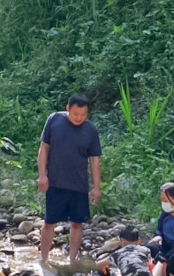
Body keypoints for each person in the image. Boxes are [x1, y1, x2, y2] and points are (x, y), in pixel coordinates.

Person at [37, 93, 103, 264]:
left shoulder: (90, 130)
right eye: (76, 114)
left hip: (79, 184)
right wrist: (42, 175)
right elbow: (44, 148)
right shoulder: (54, 120)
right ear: (67, 108)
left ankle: (72, 260)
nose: (79, 118)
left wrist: (96, 187)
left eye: (83, 115)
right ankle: (43, 259)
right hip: (56, 182)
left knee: (77, 223)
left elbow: (95, 160)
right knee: (49, 222)